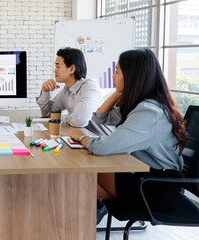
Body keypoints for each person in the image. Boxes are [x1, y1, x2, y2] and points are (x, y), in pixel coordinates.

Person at [69, 48, 187, 223]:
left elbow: (103, 147)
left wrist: (81, 137)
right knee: (81, 178)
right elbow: (100, 118)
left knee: (79, 175)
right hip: (145, 178)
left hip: (155, 187)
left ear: (132, 76)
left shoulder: (148, 112)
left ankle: (81, 219)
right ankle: (86, 217)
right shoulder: (142, 105)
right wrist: (118, 91)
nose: (113, 76)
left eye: (117, 72)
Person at [37, 47, 110, 134]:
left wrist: (60, 117)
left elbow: (79, 120)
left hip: (100, 140)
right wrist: (45, 91)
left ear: (72, 69)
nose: (55, 70)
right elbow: (48, 114)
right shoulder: (67, 90)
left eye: (58, 66)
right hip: (82, 138)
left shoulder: (90, 87)